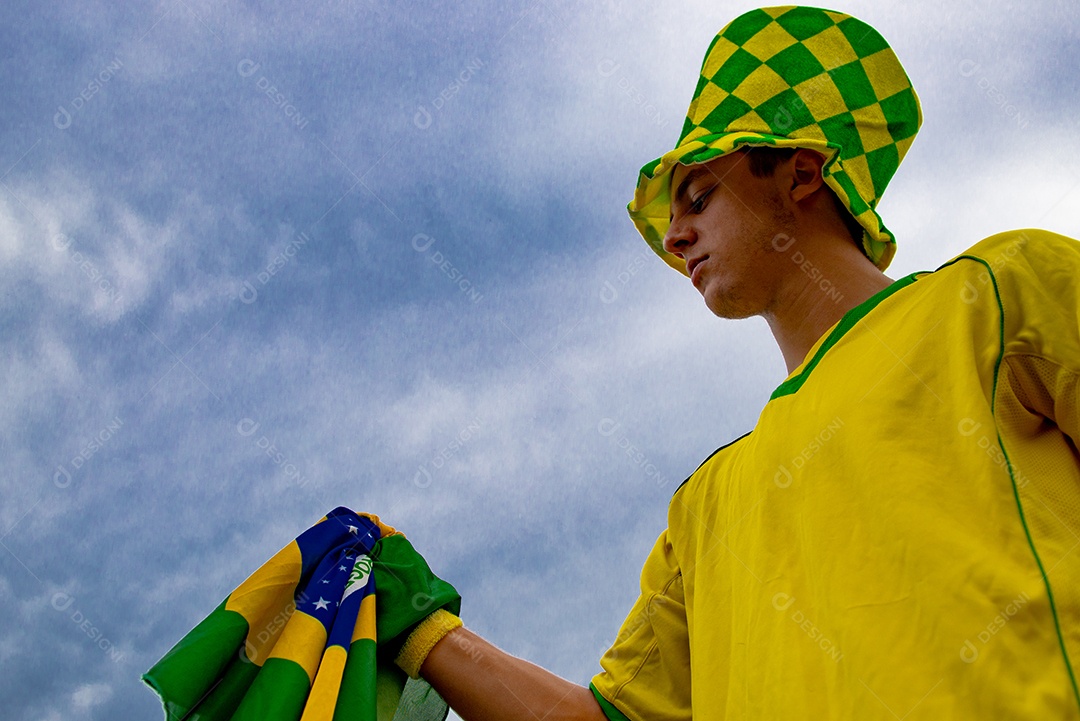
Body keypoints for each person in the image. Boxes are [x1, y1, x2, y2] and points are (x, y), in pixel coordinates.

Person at [381, 6, 1080, 719]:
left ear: (800, 173)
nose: (677, 236)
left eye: (700, 196)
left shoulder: (997, 297)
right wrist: (421, 626)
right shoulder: (704, 507)